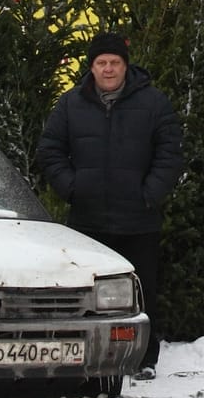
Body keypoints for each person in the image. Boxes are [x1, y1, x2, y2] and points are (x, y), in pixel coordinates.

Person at [38, 31, 182, 378]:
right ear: (91, 67)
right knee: (85, 291)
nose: (108, 69)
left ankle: (143, 359)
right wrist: (72, 188)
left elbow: (170, 154)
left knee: (141, 291)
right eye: (101, 62)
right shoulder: (71, 103)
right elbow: (50, 150)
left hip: (139, 220)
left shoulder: (153, 102)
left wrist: (148, 193)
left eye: (114, 62)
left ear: (125, 66)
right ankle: (87, 354)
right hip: (88, 220)